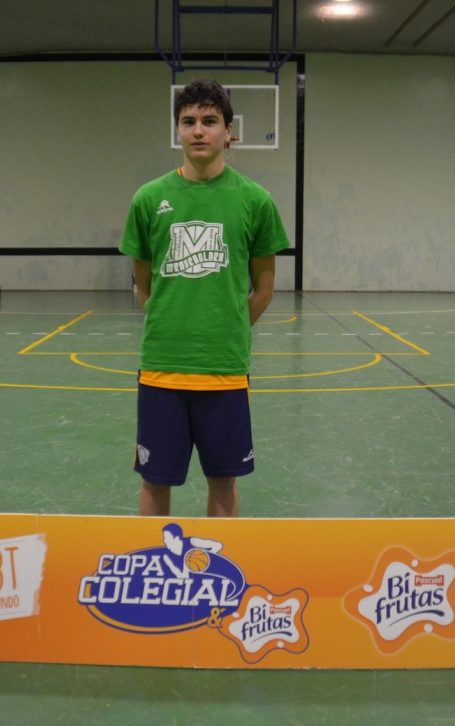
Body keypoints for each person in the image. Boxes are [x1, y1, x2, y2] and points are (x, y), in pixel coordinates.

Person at [119, 79, 290, 518]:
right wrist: (171, 321)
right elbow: (144, 286)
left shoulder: (255, 200)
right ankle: (156, 559)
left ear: (229, 132)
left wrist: (226, 327)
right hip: (161, 368)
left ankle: (219, 560)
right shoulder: (148, 199)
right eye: (188, 121)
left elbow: (264, 290)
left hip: (225, 370)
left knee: (224, 481)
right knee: (155, 481)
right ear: (177, 130)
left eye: (210, 121)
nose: (198, 130)